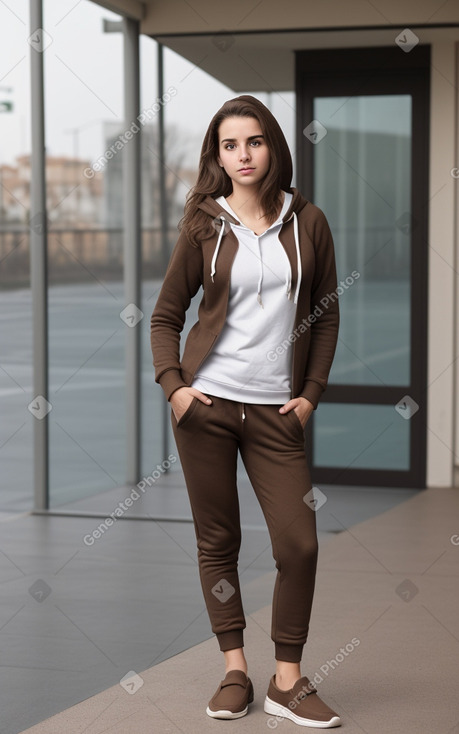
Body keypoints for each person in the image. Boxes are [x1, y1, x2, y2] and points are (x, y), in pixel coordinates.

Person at [150, 95, 340, 728]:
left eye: (253, 142)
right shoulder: (204, 223)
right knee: (219, 541)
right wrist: (175, 386)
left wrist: (310, 394)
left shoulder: (306, 220)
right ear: (218, 155)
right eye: (229, 145)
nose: (243, 155)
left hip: (276, 414)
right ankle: (236, 669)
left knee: (300, 545)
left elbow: (326, 311)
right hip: (207, 405)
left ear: (273, 147)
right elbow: (166, 315)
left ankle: (288, 682)